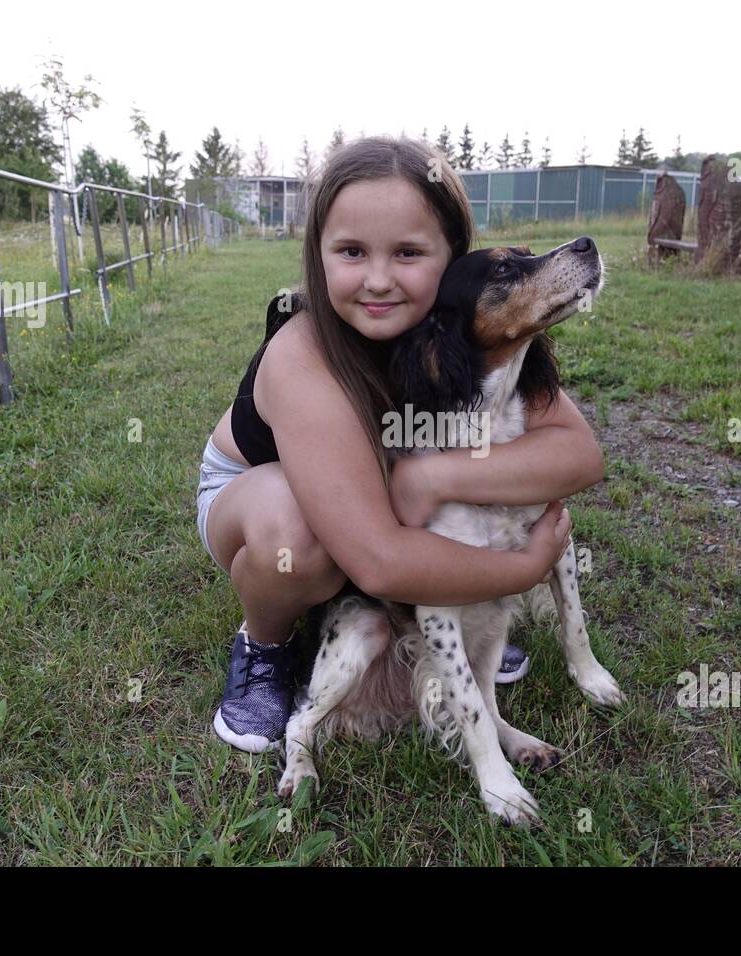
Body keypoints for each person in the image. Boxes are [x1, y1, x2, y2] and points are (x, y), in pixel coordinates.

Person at [196, 135, 605, 753]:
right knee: (301, 534)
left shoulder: (467, 329)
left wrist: (435, 479)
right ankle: (266, 644)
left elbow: (577, 455)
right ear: (319, 255)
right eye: (352, 251)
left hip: (379, 485)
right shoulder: (303, 354)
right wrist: (522, 568)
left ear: (453, 259)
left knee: (441, 468)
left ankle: (456, 603)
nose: (379, 280)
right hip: (257, 493)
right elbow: (378, 561)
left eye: (409, 252)